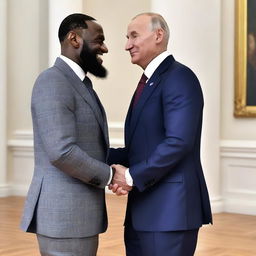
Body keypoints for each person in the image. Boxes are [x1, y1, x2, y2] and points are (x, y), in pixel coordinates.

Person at [108, 13, 212, 256]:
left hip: (170, 214)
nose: (127, 45)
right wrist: (94, 154)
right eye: (127, 37)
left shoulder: (179, 77)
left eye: (134, 36)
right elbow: (142, 148)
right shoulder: (149, 81)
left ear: (158, 35)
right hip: (143, 214)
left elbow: (178, 142)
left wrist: (131, 176)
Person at [20, 13, 114, 256]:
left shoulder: (80, 83)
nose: (104, 47)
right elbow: (62, 152)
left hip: (78, 216)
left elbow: (91, 143)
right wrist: (111, 175)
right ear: (74, 38)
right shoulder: (52, 81)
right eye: (98, 40)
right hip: (64, 217)